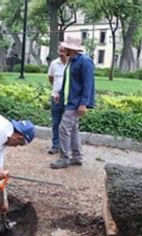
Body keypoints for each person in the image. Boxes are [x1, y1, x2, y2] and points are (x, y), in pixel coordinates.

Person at [50, 36, 95, 169]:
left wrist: (83, 103)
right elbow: (68, 81)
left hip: (76, 102)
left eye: (66, 47)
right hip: (70, 100)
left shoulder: (85, 61)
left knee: (63, 128)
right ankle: (77, 157)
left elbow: (88, 84)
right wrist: (60, 94)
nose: (63, 49)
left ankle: (65, 158)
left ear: (71, 48)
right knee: (73, 129)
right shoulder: (72, 61)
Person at [47, 45, 69, 154]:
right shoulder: (54, 64)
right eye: (59, 51)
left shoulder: (71, 64)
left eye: (63, 51)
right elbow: (51, 78)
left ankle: (66, 146)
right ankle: (55, 144)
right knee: (56, 122)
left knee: (67, 124)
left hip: (69, 98)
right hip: (56, 97)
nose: (61, 53)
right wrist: (57, 90)